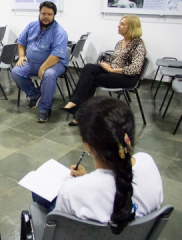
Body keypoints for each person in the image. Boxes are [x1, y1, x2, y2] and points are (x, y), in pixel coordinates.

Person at [32, 96, 163, 234]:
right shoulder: (147, 163)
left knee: (39, 192)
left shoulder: (72, 191)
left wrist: (87, 181)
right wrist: (88, 178)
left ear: (88, 146)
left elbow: (60, 230)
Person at [60, 15, 146, 126]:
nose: (118, 26)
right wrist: (107, 64)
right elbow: (117, 61)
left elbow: (135, 69)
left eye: (122, 24)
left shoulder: (138, 44)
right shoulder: (121, 42)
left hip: (127, 78)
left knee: (91, 79)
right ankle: (77, 107)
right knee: (88, 67)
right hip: (113, 71)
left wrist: (112, 70)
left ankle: (78, 111)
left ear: (132, 27)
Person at [11, 1, 68, 123]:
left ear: (54, 15)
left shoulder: (59, 31)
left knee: (49, 74)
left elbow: (56, 56)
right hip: (32, 62)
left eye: (49, 14)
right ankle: (36, 95)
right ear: (39, 13)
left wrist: (43, 68)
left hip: (54, 63)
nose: (46, 17)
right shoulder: (31, 25)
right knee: (16, 71)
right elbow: (21, 42)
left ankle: (44, 108)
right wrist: (21, 57)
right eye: (43, 13)